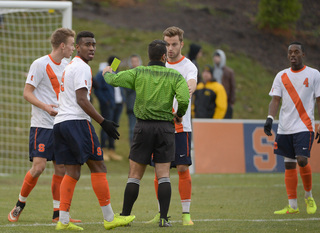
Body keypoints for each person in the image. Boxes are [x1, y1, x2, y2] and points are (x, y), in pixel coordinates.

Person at [53, 31, 135, 231]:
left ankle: (63, 221)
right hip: (76, 123)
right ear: (78, 47)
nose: (92, 48)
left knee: (71, 172)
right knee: (99, 168)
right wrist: (103, 121)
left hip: (61, 123)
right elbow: (82, 99)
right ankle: (109, 218)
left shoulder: (71, 66)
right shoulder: (81, 67)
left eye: (94, 45)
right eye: (87, 44)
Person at [103, 39, 190, 227]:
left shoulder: (139, 72)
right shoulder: (175, 76)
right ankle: (164, 218)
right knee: (164, 174)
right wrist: (179, 115)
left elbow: (114, 80)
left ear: (148, 56)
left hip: (143, 128)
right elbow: (184, 99)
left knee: (134, 175)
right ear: (164, 56)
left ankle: (125, 215)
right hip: (166, 129)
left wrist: (108, 71)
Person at [7, 28, 81, 224]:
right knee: (38, 168)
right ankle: (19, 204)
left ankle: (58, 213)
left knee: (61, 169)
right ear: (62, 45)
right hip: (42, 125)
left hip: (61, 124)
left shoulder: (68, 65)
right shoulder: (40, 64)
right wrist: (45, 107)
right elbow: (27, 93)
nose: (73, 48)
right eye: (72, 44)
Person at [147, 26, 197, 226]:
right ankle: (161, 213)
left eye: (174, 44)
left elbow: (191, 84)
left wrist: (186, 92)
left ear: (181, 44)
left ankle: (186, 214)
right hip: (159, 125)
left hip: (180, 125)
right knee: (160, 171)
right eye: (167, 44)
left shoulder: (189, 66)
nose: (170, 48)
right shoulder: (158, 65)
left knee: (183, 168)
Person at [264, 41, 320, 215]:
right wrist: (269, 118)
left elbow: (319, 100)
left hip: (305, 125)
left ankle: (309, 196)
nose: (293, 55)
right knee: (289, 165)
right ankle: (292, 205)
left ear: (303, 54)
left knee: (302, 160)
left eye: (296, 52)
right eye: (290, 52)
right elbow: (275, 100)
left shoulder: (314, 74)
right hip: (285, 127)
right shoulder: (281, 76)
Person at [94, 55, 123, 161]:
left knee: (114, 127)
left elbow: (120, 88)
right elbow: (97, 89)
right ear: (112, 63)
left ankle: (112, 149)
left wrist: (122, 99)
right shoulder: (102, 73)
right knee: (106, 126)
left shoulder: (117, 73)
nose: (118, 66)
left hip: (118, 104)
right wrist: (105, 101)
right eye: (116, 63)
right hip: (108, 105)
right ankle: (103, 149)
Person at [124, 54, 142, 145]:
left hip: (143, 107)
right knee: (132, 129)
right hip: (132, 106)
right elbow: (126, 89)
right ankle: (133, 151)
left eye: (136, 61)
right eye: (133, 62)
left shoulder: (144, 74)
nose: (134, 64)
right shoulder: (128, 75)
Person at [212, 49, 236, 119]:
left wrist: (232, 101)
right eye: (215, 56)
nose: (216, 58)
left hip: (226, 99)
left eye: (218, 56)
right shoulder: (213, 70)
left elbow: (232, 87)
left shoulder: (228, 71)